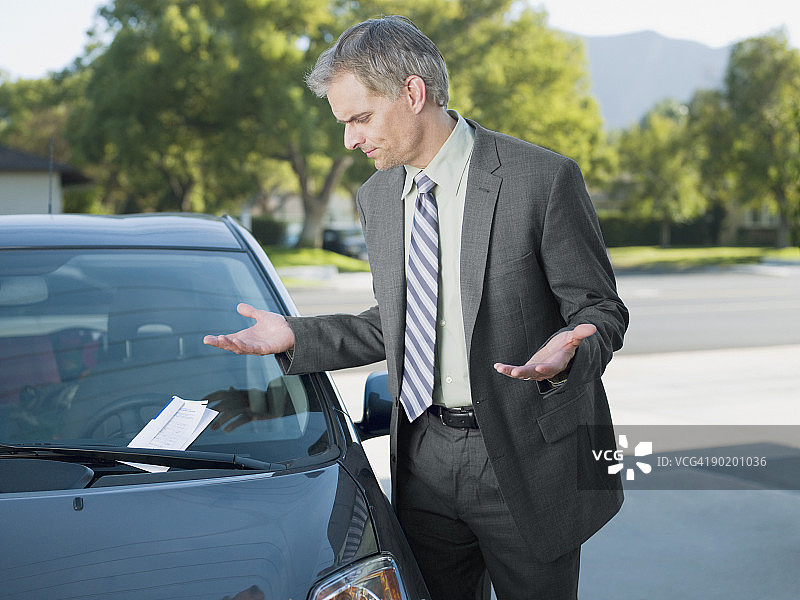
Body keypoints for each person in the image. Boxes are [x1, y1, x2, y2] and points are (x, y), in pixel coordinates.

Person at [204, 15, 628, 600]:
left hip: (524, 458)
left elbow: (602, 310)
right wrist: (294, 337)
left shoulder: (541, 179)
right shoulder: (377, 197)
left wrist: (571, 351)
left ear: (412, 93)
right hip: (421, 458)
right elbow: (399, 321)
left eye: (360, 118)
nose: (350, 140)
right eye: (344, 123)